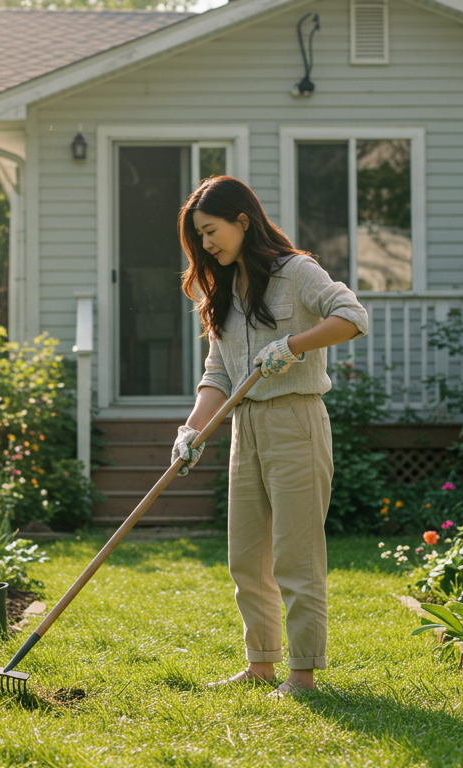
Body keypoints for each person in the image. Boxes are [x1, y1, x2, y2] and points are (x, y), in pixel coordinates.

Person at [173, 176, 368, 697]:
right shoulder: (224, 287)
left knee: (295, 556)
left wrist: (294, 345)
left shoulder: (296, 271)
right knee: (247, 555)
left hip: (295, 421)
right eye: (198, 237)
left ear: (242, 220)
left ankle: (301, 673)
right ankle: (260, 664)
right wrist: (192, 430)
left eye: (210, 231)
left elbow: (353, 317)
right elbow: (219, 372)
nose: (205, 245)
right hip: (246, 426)